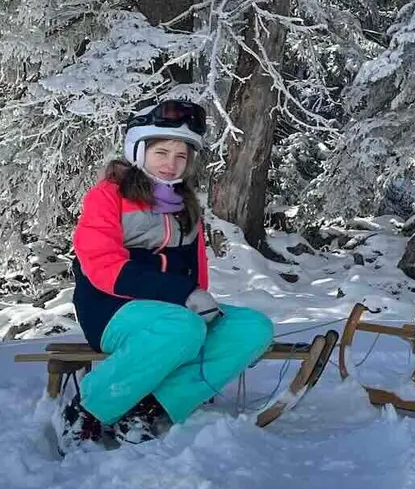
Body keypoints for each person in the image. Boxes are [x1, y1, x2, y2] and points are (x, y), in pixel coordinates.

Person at [59, 99, 275, 450]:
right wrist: (183, 295)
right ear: (138, 150)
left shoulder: (185, 204)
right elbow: (101, 265)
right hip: (111, 308)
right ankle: (88, 412)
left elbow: (196, 273)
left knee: (252, 328)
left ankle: (150, 410)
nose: (170, 164)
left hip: (173, 311)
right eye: (161, 152)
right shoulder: (107, 196)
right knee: (183, 326)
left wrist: (198, 299)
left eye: (180, 156)